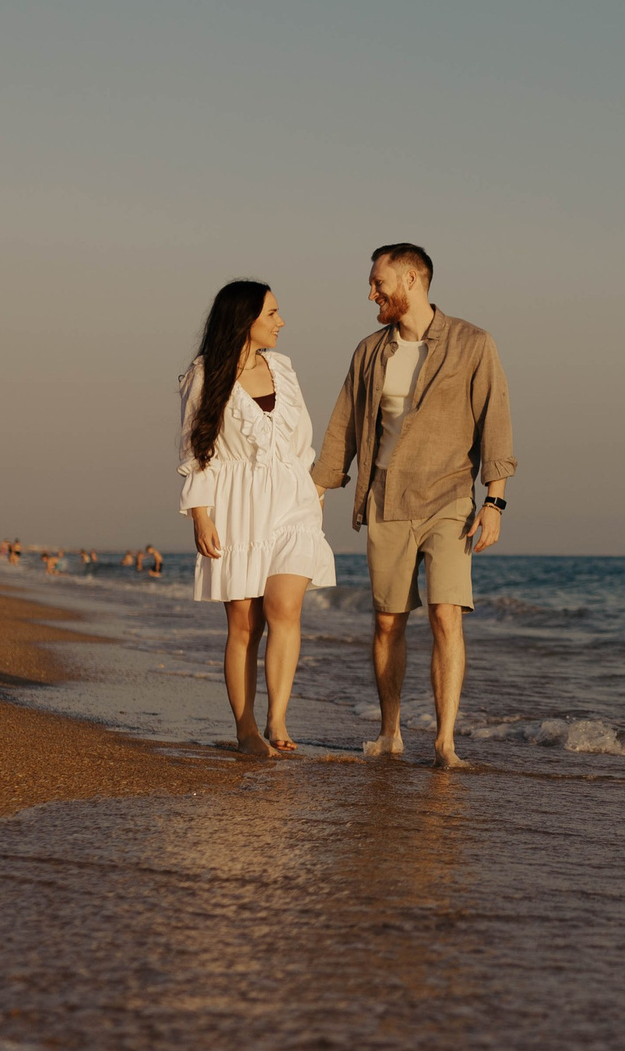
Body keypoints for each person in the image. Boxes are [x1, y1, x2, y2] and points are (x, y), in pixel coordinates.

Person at [314, 243, 514, 769]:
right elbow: (343, 425)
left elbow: (495, 422)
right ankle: (390, 732)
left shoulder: (473, 343)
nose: (371, 292)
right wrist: (318, 488)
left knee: (448, 614)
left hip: (450, 499)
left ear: (411, 281)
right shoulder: (369, 352)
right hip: (386, 499)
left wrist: (494, 500)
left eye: (379, 283)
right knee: (388, 623)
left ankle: (445, 741)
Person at [180, 279, 337, 758]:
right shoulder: (204, 375)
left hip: (293, 501)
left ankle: (278, 718)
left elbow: (302, 439)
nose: (281, 322)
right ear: (244, 319)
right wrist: (201, 515)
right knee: (245, 624)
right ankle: (245, 727)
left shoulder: (284, 368)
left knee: (285, 606)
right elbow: (195, 449)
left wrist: (315, 489)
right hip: (236, 506)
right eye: (271, 314)